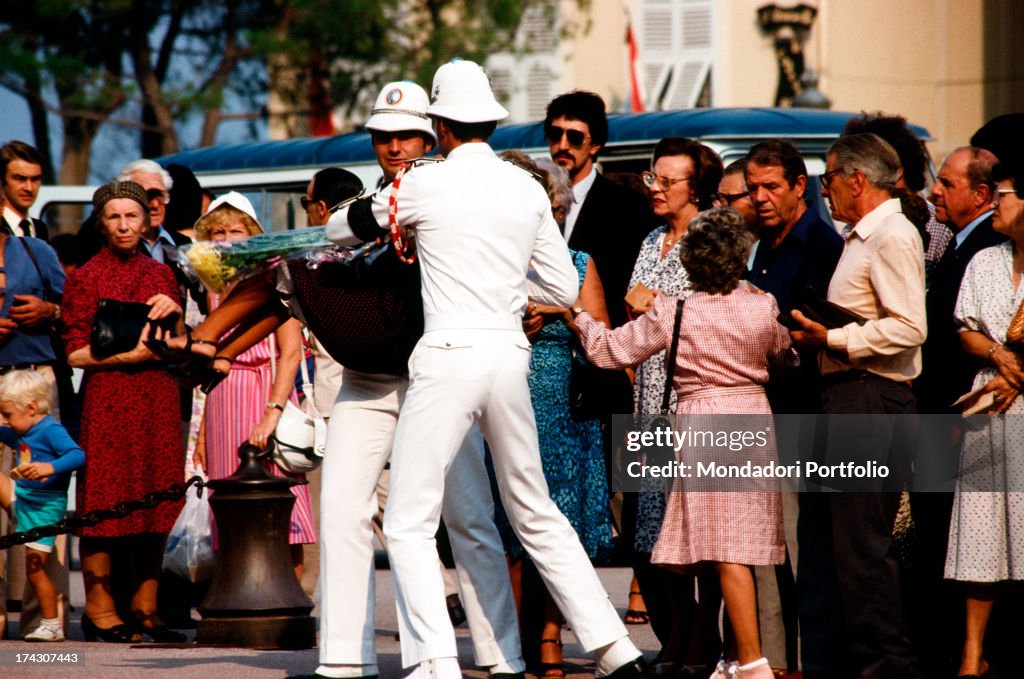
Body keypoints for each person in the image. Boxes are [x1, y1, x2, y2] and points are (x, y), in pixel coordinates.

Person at [156, 82, 525, 679]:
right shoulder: (373, 201)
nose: (394, 145)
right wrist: (215, 349)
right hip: (366, 377)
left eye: (406, 135)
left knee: (468, 520)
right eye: (384, 136)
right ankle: (344, 660)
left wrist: (214, 342)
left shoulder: (439, 193)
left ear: (433, 137)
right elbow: (296, 290)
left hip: (439, 374)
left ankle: (499, 655)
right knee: (344, 514)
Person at [327, 59, 644, 679]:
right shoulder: (526, 187)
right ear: (489, 123)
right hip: (508, 358)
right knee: (535, 511)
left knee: (409, 521)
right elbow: (560, 280)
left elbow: (344, 226)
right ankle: (616, 650)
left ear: (439, 124)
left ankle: (438, 662)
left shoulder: (423, 184)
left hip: (446, 357)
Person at [572, 206, 790, 679]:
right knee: (741, 544)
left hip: (704, 421)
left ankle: (751, 662)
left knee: (725, 547)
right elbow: (783, 353)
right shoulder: (761, 304)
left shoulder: (676, 311)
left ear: (691, 262)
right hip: (753, 417)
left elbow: (610, 351)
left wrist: (580, 319)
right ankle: (736, 656)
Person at [790, 133, 926, 679]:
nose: (826, 191)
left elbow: (910, 326)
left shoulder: (892, 234)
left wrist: (833, 339)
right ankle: (862, 660)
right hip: (847, 397)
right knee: (844, 545)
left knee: (864, 547)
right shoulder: (859, 237)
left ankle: (888, 665)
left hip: (870, 397)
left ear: (856, 179)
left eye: (828, 178)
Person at [498, 152, 615, 678]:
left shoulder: (579, 263)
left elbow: (604, 338)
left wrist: (562, 315)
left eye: (553, 209)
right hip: (502, 395)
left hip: (561, 407)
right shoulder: (489, 263)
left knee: (557, 524)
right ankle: (510, 636)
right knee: (504, 527)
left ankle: (549, 637)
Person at [61, 180, 186, 643]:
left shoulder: (160, 274)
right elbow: (74, 352)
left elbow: (181, 346)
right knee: (104, 501)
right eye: (114, 217)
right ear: (101, 223)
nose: (124, 225)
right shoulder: (86, 276)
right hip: (109, 399)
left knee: (156, 499)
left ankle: (146, 608)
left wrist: (175, 316)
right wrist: (124, 359)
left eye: (131, 216)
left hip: (157, 396)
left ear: (146, 219)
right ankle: (98, 608)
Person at [627, 136, 723, 675]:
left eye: (668, 181)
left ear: (697, 186)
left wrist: (655, 304)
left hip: (691, 395)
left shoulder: (711, 239)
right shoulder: (652, 238)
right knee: (651, 534)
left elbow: (707, 309)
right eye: (652, 179)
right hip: (646, 395)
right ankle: (675, 638)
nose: (657, 189)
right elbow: (632, 303)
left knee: (694, 533)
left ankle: (701, 643)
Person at [190, 192, 315, 578]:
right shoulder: (215, 288)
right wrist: (203, 434)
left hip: (264, 391)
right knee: (228, 506)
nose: (227, 238)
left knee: (282, 509)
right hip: (224, 397)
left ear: (253, 234)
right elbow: (211, 362)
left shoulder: (272, 275)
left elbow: (290, 353)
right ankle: (241, 600)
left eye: (236, 230)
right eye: (219, 231)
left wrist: (271, 416)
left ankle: (291, 600)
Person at [944, 160, 1024, 679]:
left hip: (1018, 401)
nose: (995, 202)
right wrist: (1000, 357)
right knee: (980, 530)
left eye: (1005, 194)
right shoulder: (985, 261)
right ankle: (972, 655)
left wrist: (1019, 377)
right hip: (988, 405)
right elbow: (965, 328)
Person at [0, 218, 68, 640]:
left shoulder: (34, 251)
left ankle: (44, 622)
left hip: (34, 384)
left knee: (41, 498)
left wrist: (50, 311)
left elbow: (76, 308)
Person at [0, 369, 84, 641]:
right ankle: (14, 515)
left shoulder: (50, 429)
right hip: (24, 497)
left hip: (44, 506)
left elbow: (76, 454)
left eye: (9, 415)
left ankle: (51, 624)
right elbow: (11, 436)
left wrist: (51, 466)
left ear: (31, 408)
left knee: (35, 571)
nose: (7, 421)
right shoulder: (25, 429)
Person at [1, 140, 48, 240]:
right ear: (2, 180)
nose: (29, 188)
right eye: (20, 179)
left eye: (35, 179)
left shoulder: (40, 229)